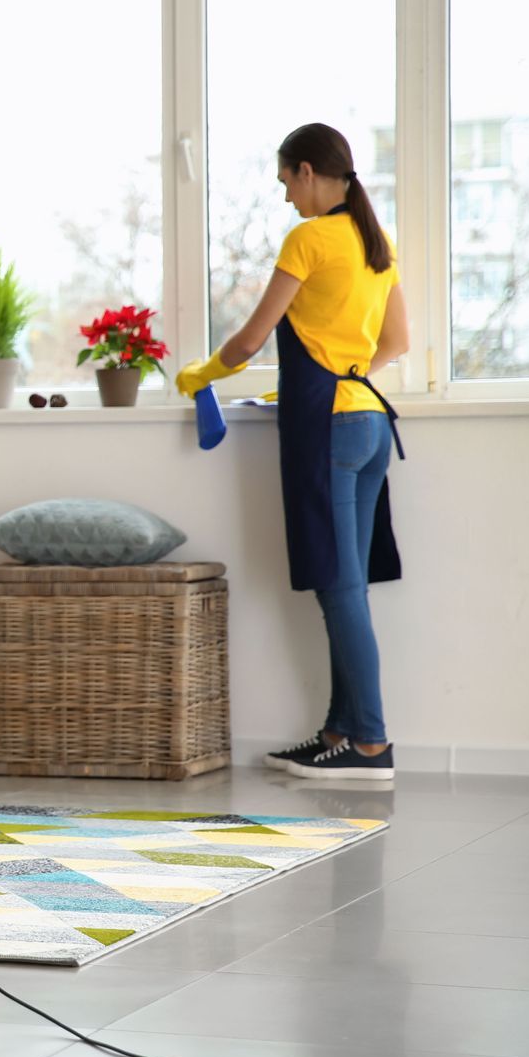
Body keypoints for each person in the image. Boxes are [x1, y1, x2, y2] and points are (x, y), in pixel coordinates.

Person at [177, 122, 408, 782]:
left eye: (286, 182)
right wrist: (344, 368)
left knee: (339, 590)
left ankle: (372, 745)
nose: (287, 198)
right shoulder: (375, 239)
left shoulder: (310, 238)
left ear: (309, 171)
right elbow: (397, 340)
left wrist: (201, 375)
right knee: (348, 586)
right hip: (367, 424)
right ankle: (339, 729)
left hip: (331, 431)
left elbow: (252, 340)